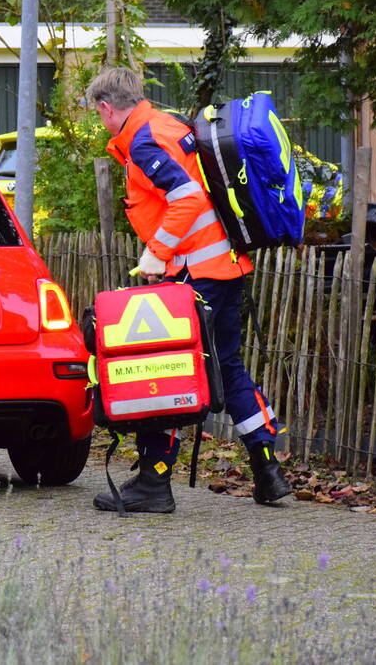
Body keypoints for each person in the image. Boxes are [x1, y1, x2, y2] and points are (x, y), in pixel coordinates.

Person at [86, 66, 291, 513]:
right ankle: (268, 470)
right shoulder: (170, 123)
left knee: (169, 369)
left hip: (193, 275)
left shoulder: (143, 140)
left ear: (106, 107)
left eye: (97, 113)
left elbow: (187, 198)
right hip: (225, 267)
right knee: (229, 367)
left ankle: (154, 484)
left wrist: (157, 252)